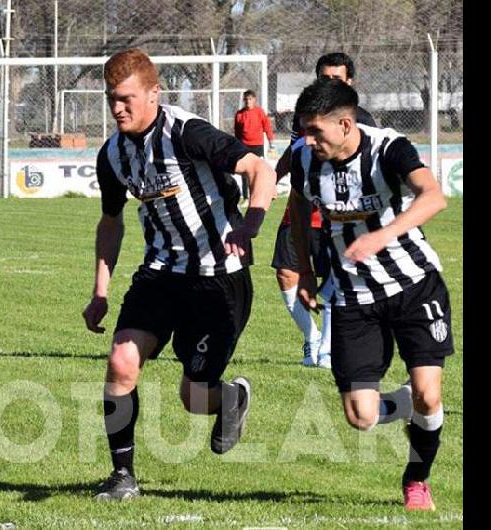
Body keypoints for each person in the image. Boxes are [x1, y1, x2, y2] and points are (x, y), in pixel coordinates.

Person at [82, 48, 276, 500]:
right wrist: (100, 292)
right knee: (121, 363)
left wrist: (251, 223)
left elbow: (258, 168)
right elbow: (111, 221)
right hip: (161, 273)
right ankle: (122, 476)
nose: (117, 108)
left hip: (218, 277)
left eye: (127, 98)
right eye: (112, 98)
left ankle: (230, 398)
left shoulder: (188, 134)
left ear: (154, 93)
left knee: (194, 397)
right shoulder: (112, 153)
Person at [288, 78, 451, 511]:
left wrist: (382, 236)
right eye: (303, 130)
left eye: (315, 131)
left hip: (413, 284)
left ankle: (417, 479)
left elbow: (434, 197)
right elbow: (301, 205)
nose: (307, 140)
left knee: (430, 395)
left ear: (345, 123)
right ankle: (406, 401)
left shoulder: (388, 149)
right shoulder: (305, 158)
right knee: (360, 417)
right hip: (352, 297)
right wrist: (305, 269)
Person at [272, 52, 378, 368]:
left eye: (336, 79)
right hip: (302, 206)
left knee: (337, 281)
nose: (329, 84)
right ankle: (311, 337)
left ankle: (329, 349)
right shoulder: (303, 117)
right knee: (286, 273)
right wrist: (270, 180)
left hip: (342, 212)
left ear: (350, 82)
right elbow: (293, 154)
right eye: (323, 78)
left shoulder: (364, 121)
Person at [233, 89, 274, 158]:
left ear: (254, 100)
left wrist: (271, 142)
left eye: (250, 99)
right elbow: (237, 132)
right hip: (244, 145)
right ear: (243, 100)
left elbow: (267, 127)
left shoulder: (259, 112)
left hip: (257, 145)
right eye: (246, 99)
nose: (248, 101)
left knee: (258, 166)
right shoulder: (239, 114)